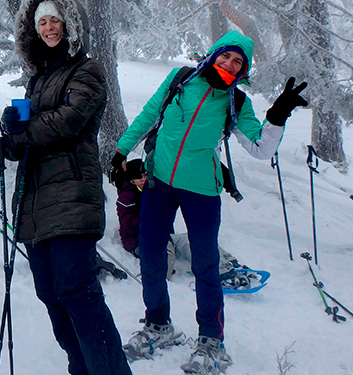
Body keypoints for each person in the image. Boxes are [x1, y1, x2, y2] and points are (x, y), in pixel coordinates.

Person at [112, 30, 307, 373]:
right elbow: (148, 114)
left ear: (243, 70)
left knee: (205, 265)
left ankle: (212, 342)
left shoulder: (236, 102)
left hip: (203, 191)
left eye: (238, 62)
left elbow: (261, 148)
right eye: (226, 56)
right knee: (152, 256)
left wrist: (277, 116)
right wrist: (120, 151)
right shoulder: (181, 79)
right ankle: (158, 325)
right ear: (214, 53)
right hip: (159, 182)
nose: (229, 64)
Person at [0, 0, 132, 375]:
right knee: (51, 294)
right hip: (37, 205)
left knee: (78, 294)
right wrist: (11, 135)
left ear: (70, 24)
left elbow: (70, 121)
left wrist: (24, 132)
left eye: (55, 19)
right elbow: (29, 138)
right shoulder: (38, 79)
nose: (49, 28)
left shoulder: (86, 69)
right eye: (42, 21)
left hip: (73, 196)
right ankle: (82, 368)